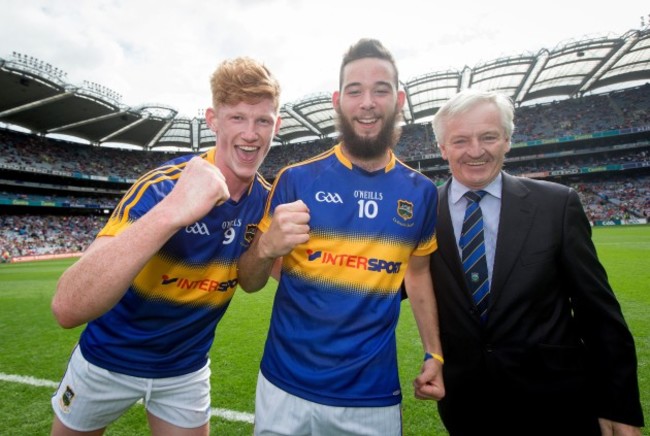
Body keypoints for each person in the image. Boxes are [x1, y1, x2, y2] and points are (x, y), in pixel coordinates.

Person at [49, 57, 282, 436]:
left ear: (277, 125)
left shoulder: (266, 202)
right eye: (237, 117)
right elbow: (67, 307)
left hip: (184, 369)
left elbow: (269, 278)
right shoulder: (161, 186)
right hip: (106, 358)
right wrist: (171, 212)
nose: (251, 134)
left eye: (263, 121)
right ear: (213, 120)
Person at [237, 38, 445, 436]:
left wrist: (434, 351)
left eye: (380, 89)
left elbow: (417, 277)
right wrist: (265, 248)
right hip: (284, 386)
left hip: (371, 396)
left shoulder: (420, 192)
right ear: (338, 100)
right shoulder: (295, 180)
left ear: (399, 99)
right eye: (355, 90)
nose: (367, 102)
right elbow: (249, 281)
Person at [428, 88, 644, 435]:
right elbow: (385, 288)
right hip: (466, 405)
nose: (476, 151)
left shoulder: (556, 205)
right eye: (460, 140)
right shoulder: (420, 214)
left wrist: (619, 407)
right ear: (442, 148)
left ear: (508, 140)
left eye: (489, 137)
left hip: (557, 402)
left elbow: (599, 313)